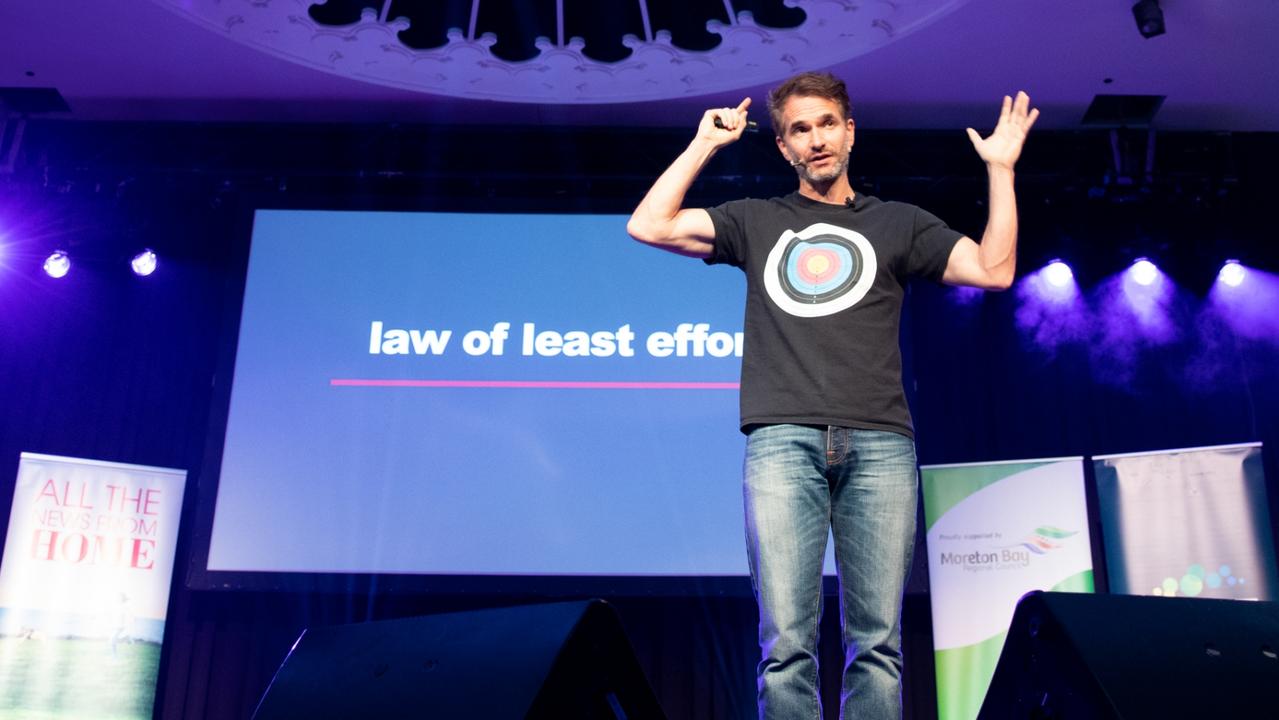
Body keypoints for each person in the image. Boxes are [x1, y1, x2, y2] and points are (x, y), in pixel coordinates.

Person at [626, 72, 1038, 719]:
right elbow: (649, 224)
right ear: (784, 148)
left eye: (825, 124)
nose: (814, 140)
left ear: (849, 131)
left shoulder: (897, 223)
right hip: (781, 442)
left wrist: (1002, 170)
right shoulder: (755, 221)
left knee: (877, 645)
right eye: (798, 130)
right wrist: (705, 145)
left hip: (878, 445)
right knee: (785, 645)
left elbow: (994, 269)